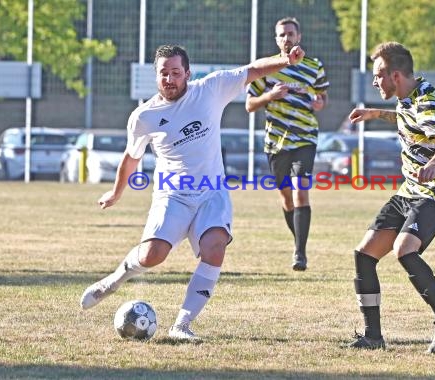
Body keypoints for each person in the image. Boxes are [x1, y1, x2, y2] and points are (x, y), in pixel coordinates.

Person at [79, 43, 306, 341]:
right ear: (155, 75)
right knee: (152, 255)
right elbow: (131, 157)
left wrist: (284, 60)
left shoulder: (211, 89)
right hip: (172, 195)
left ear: (187, 72)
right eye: (163, 73)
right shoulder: (143, 116)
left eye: (175, 72)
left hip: (212, 193)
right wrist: (116, 192)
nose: (169, 79)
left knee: (215, 247)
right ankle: (114, 279)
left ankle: (182, 325)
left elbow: (251, 71)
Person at [344, 42, 435, 353]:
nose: (374, 81)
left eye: (378, 75)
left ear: (395, 75)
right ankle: (373, 336)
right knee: (364, 255)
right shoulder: (407, 97)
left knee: (404, 249)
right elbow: (405, 119)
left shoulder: (426, 100)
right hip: (408, 191)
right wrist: (373, 113)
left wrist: (434, 165)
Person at [245, 17, 329, 271]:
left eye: (290, 33)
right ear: (276, 39)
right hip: (276, 143)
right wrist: (270, 95)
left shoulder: (314, 66)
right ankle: (298, 242)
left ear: (299, 37)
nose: (286, 38)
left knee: (300, 190)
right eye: (281, 35)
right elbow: (250, 104)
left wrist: (318, 103)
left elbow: (322, 97)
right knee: (286, 198)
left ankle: (299, 254)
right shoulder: (267, 67)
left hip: (305, 138)